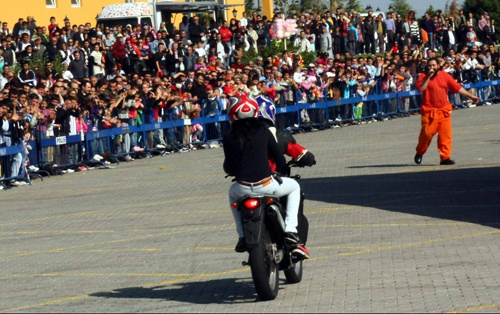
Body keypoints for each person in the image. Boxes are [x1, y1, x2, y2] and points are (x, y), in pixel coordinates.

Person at [222, 94, 309, 260]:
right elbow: (279, 158)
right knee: (294, 187)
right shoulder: (264, 130)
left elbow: (230, 166)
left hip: (242, 188)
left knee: (231, 194)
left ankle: (241, 235)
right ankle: (291, 231)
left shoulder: (228, 137)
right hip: (266, 185)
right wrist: (282, 168)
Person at [414, 58, 480, 166]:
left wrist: (471, 96)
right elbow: (421, 89)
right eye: (429, 66)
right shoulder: (423, 77)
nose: (431, 67)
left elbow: (457, 87)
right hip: (429, 112)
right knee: (426, 134)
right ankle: (420, 151)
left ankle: (445, 158)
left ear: (438, 66)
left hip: (444, 110)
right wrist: (428, 77)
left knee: (445, 135)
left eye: (433, 65)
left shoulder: (445, 76)